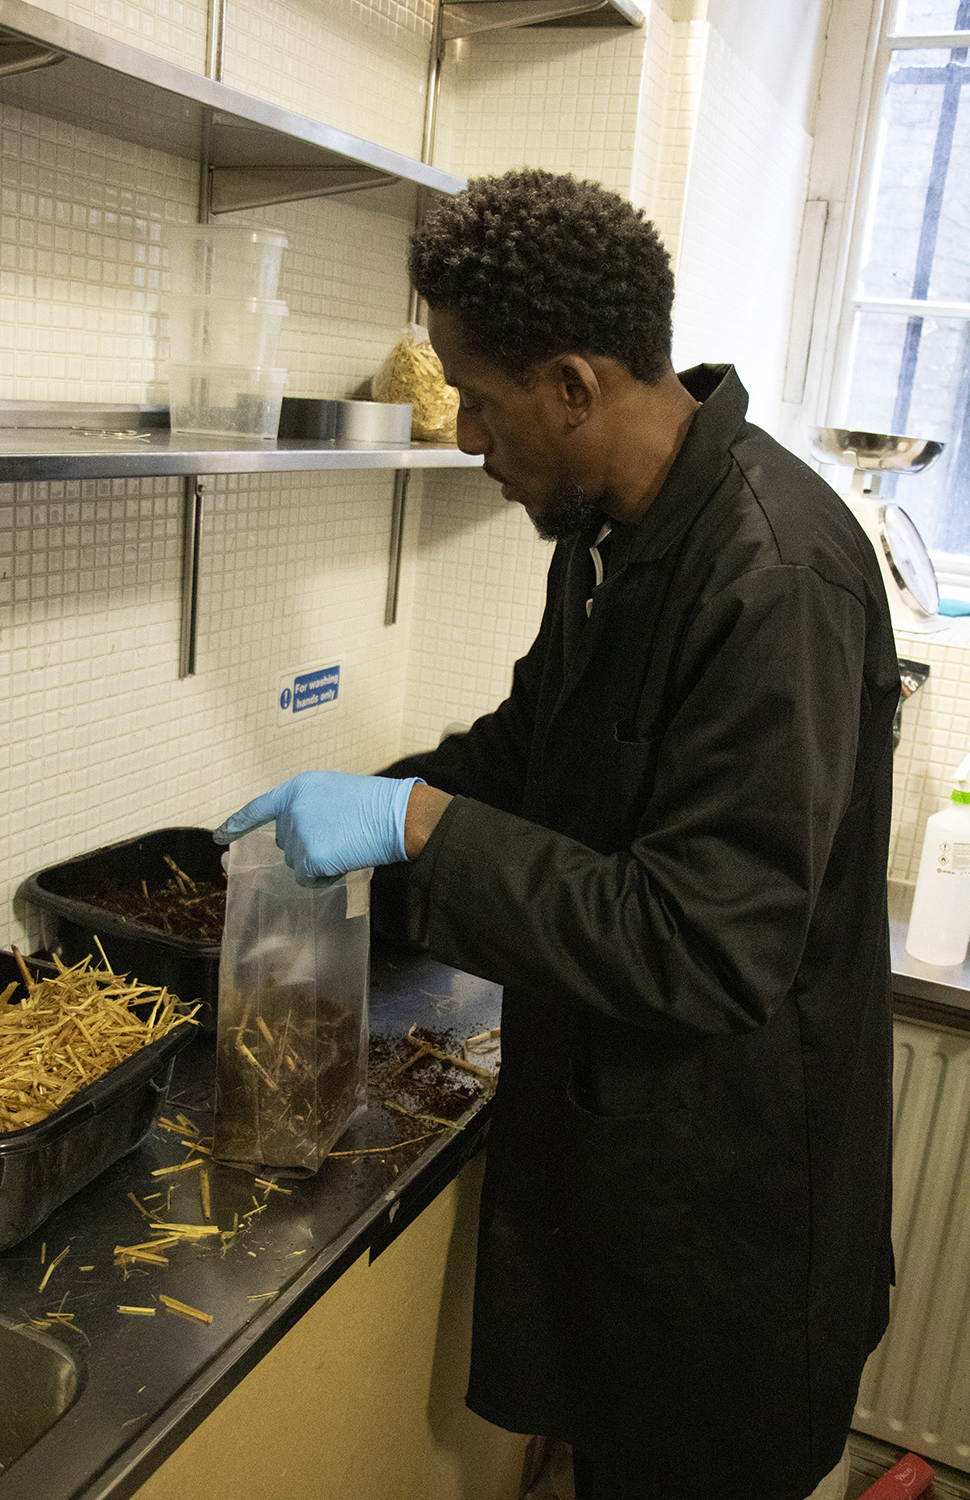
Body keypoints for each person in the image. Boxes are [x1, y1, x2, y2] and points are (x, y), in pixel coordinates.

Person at [215, 169, 899, 1500]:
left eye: (479, 395)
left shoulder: (773, 574)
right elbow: (527, 759)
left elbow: (711, 942)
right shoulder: (607, 534)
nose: (466, 432)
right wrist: (365, 816)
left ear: (577, 388)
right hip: (627, 1192)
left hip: (733, 1237)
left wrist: (419, 829)